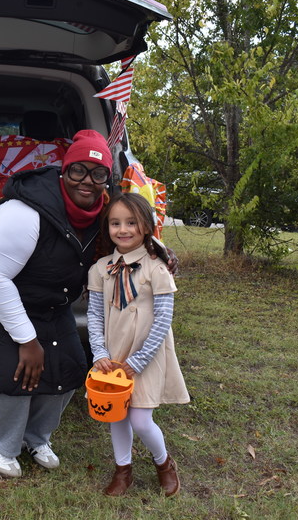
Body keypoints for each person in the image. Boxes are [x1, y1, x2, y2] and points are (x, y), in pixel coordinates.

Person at [0, 129, 115, 477]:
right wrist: (27, 339)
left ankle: (36, 438)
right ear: (64, 171)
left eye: (98, 173)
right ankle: (2, 445)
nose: (87, 180)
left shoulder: (105, 209)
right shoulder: (26, 212)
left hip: (46, 299)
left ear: (107, 178)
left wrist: (161, 255)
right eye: (78, 170)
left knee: (70, 367)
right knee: (14, 369)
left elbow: (135, 234)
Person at [87, 192, 190, 497]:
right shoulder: (100, 268)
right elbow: (94, 315)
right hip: (113, 355)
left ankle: (164, 464)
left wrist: (140, 359)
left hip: (147, 354)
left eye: (131, 222)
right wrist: (99, 351)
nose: (123, 229)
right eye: (115, 223)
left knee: (141, 419)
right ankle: (123, 470)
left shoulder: (157, 268)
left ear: (146, 225)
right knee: (116, 415)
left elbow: (163, 318)